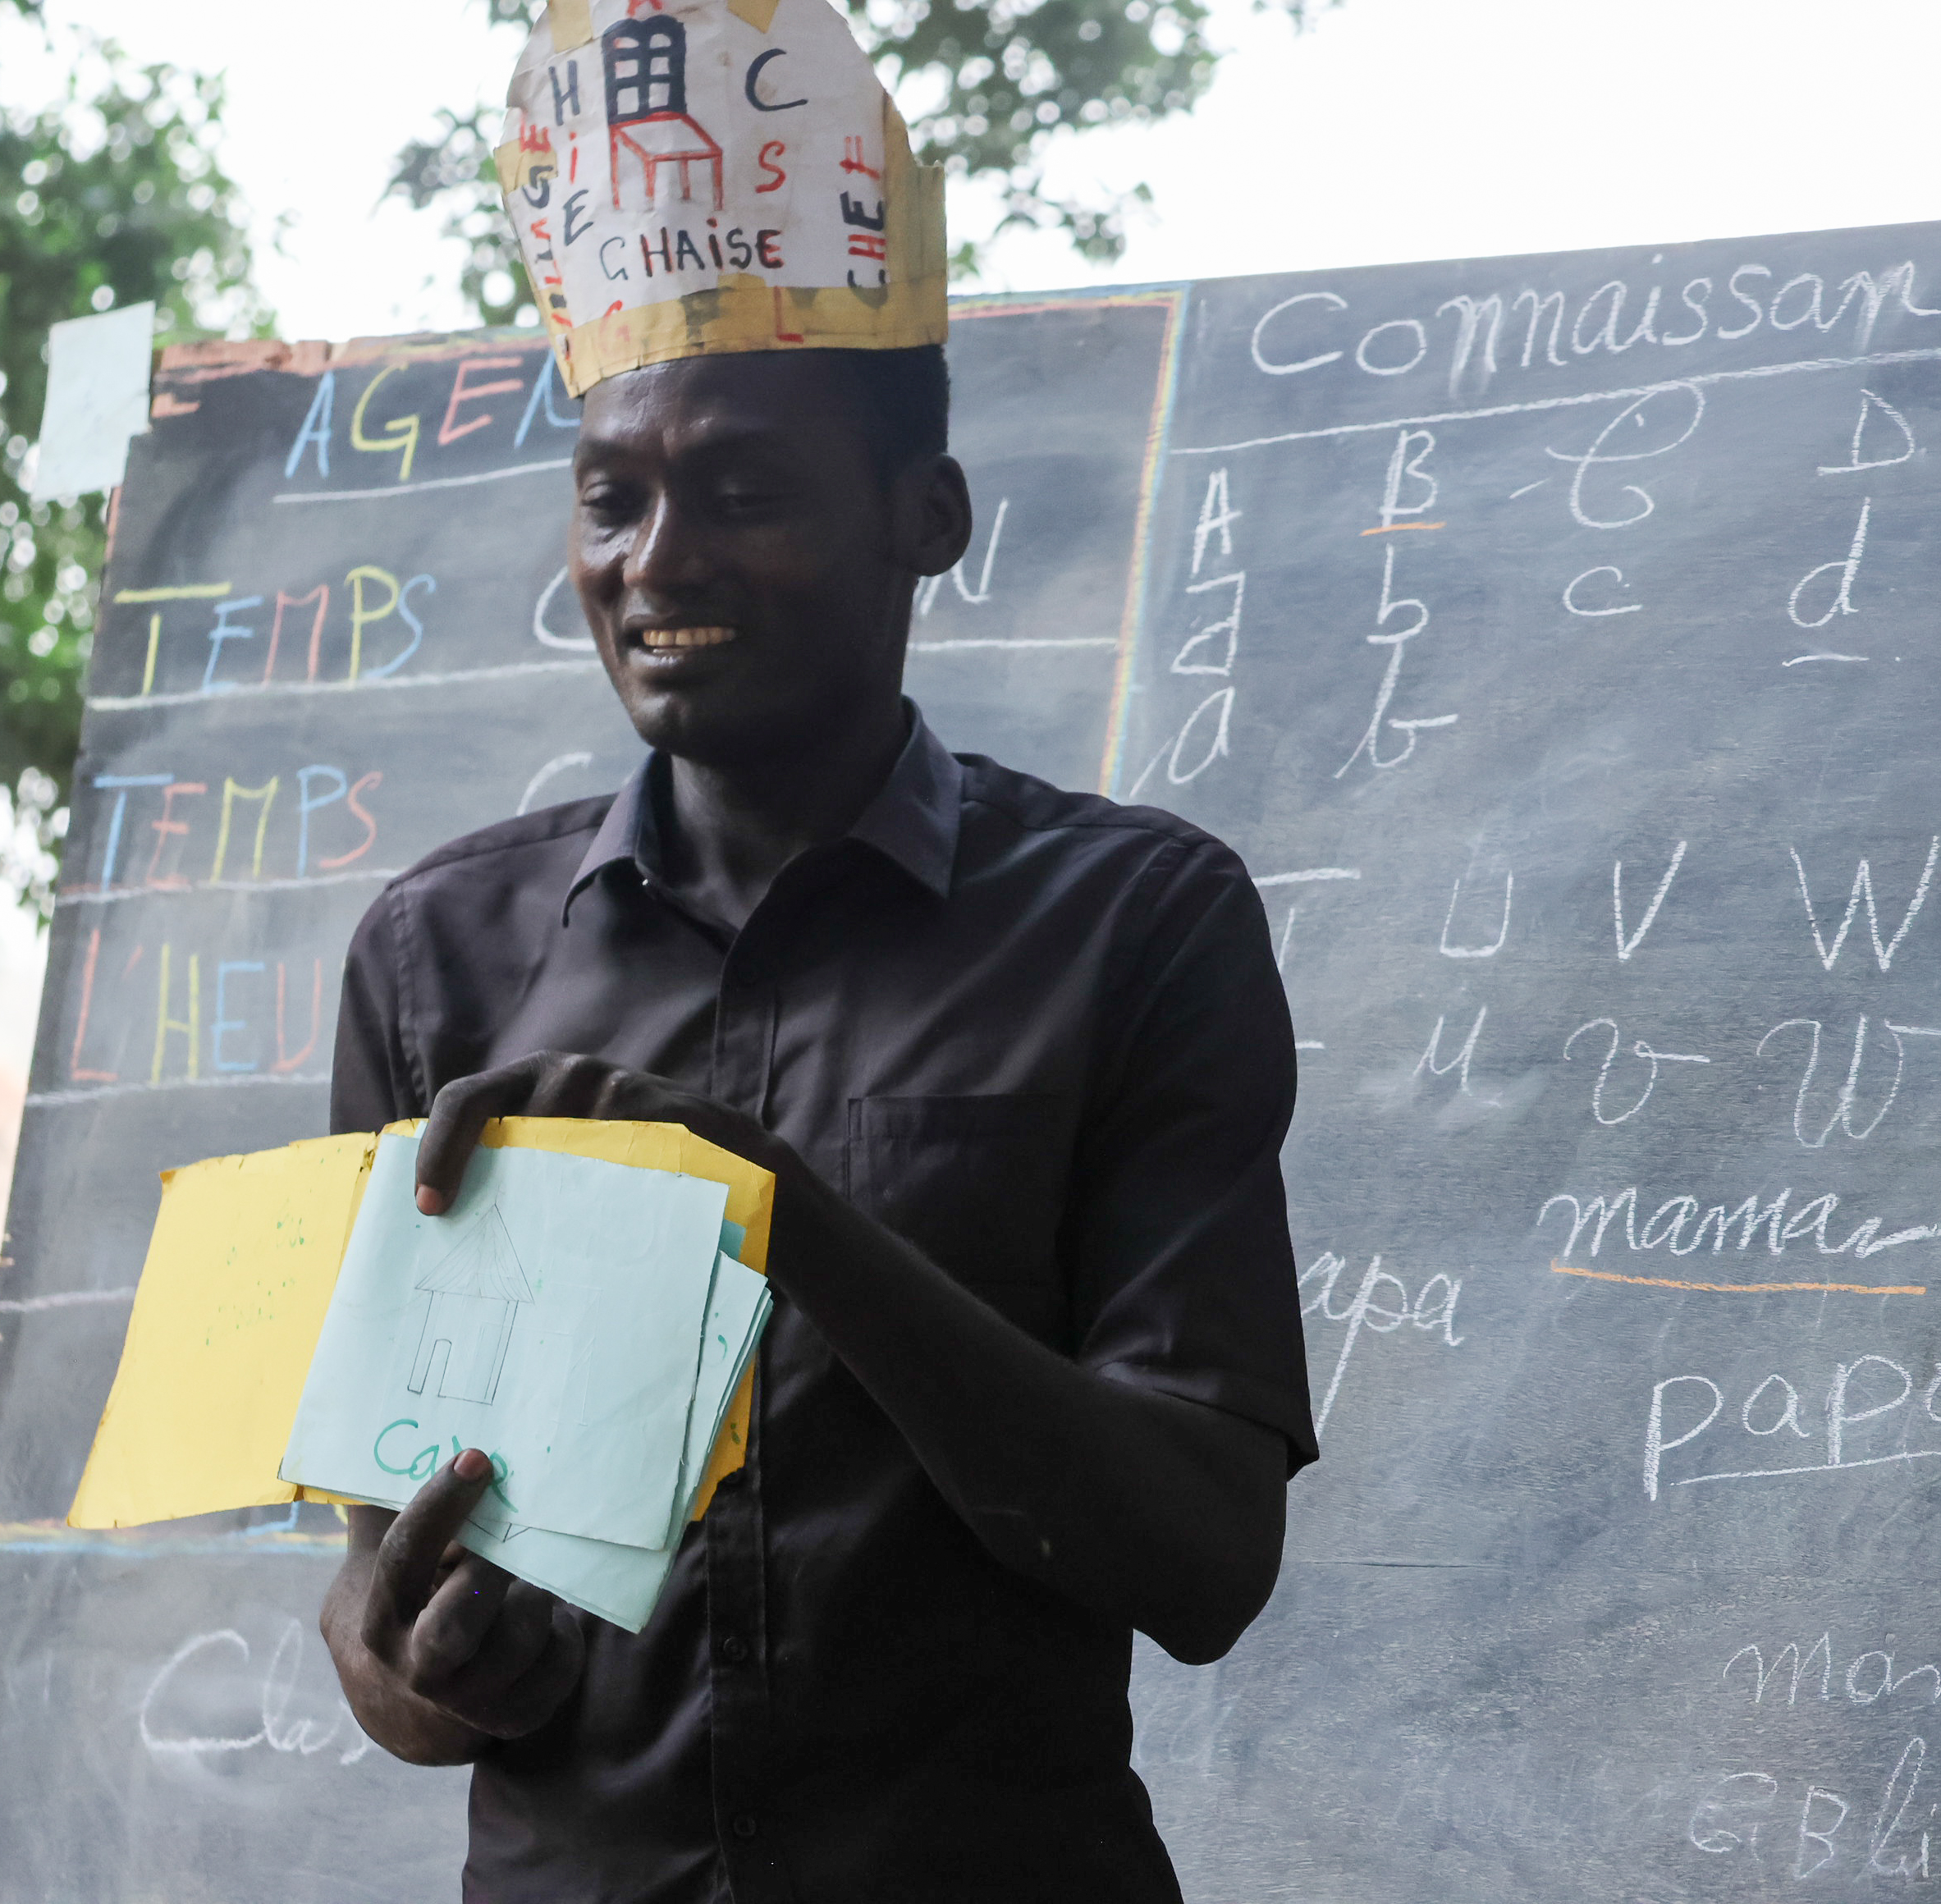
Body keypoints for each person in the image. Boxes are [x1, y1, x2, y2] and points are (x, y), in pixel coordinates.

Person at [316, 6, 1315, 1898]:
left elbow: (1199, 1557)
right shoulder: (434, 958)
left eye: (744, 492)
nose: (656, 557)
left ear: (920, 519)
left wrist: (782, 1215)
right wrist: (422, 1667)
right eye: (612, 496)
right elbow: (374, 1587)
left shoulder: (1134, 924)